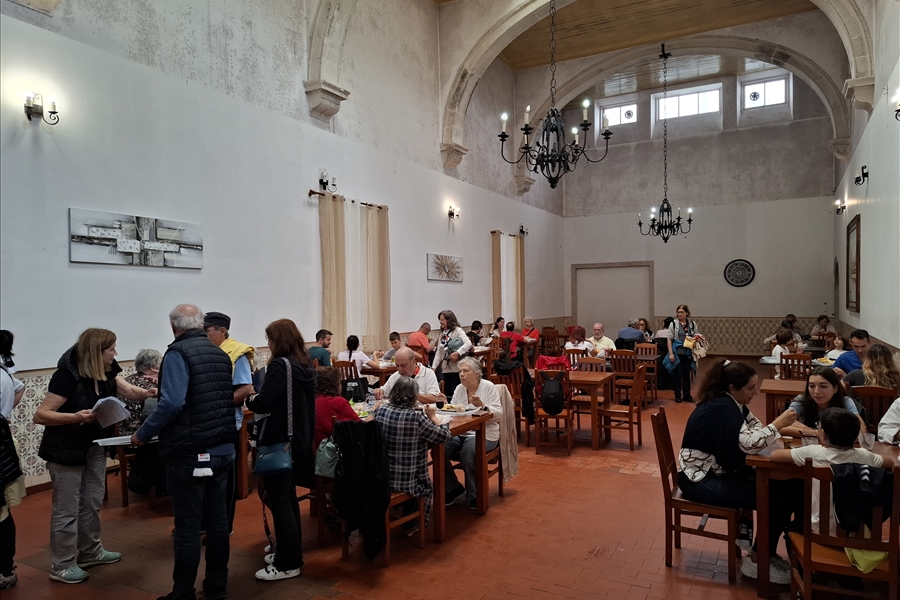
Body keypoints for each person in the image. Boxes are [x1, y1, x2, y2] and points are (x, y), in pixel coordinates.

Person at [35, 328, 156, 584]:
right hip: (65, 449)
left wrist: (148, 393)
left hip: (93, 445)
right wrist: (75, 417)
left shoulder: (107, 371)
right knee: (66, 508)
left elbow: (129, 391)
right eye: (111, 349)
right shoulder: (66, 376)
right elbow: (41, 415)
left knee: (92, 501)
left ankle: (90, 551)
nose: (116, 353)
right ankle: (62, 565)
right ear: (96, 352)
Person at [132, 305, 235, 600]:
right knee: (218, 523)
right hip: (223, 448)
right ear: (201, 324)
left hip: (190, 451)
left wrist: (143, 433)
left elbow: (172, 402)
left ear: (174, 327)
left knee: (188, 527)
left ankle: (182, 593)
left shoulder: (178, 353)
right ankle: (217, 585)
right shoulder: (219, 353)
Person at [678, 359, 800, 585]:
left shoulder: (734, 404)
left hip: (710, 472)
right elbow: (750, 444)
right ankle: (758, 559)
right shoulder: (723, 407)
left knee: (786, 487)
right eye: (750, 388)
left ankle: (765, 554)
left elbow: (756, 428)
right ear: (733, 388)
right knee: (777, 498)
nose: (755, 392)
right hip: (698, 480)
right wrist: (778, 424)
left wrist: (774, 428)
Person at [245, 319, 317, 581]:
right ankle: (290, 553)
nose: (269, 343)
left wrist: (250, 397)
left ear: (278, 340)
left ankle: (288, 563)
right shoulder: (305, 364)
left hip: (279, 441)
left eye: (269, 339)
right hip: (299, 440)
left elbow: (264, 402)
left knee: (280, 502)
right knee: (288, 500)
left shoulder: (280, 366)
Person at [770, 408, 892, 534]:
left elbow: (775, 455)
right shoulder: (865, 455)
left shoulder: (813, 452)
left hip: (818, 530)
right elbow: (890, 463)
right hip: (855, 532)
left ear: (822, 435)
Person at [374, 376, 451, 534]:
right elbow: (445, 436)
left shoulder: (380, 411)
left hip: (381, 476)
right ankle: (413, 523)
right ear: (414, 396)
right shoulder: (416, 418)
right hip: (407, 481)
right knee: (422, 480)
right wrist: (433, 417)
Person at [204, 311, 255, 535]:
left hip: (227, 421)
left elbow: (246, 388)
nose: (203, 335)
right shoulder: (207, 351)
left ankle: (224, 526)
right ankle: (206, 522)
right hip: (208, 422)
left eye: (207, 331)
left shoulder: (237, 352)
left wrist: (219, 404)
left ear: (222, 330)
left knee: (225, 479)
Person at [444, 358, 502, 510]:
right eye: (460, 371)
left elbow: (499, 414)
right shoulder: (459, 389)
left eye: (465, 371)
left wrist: (483, 406)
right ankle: (453, 487)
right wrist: (446, 407)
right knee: (440, 449)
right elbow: (453, 412)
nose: (461, 374)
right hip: (461, 432)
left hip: (486, 433)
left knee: (468, 453)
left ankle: (475, 494)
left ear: (477, 373)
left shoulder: (488, 387)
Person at [116, 349, 165, 495]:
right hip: (139, 437)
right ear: (153, 368)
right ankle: (159, 485)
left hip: (121, 434)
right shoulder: (150, 385)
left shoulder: (126, 381)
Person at [0, 331, 25, 590]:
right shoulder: (4, 373)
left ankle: (5, 569)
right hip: (4, 441)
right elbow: (20, 388)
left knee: (1, 511)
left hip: (1, 447)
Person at [778, 367, 865, 439]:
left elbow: (861, 433)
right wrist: (817, 433)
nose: (816, 391)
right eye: (812, 386)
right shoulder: (802, 400)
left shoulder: (845, 401)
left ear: (835, 389)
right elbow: (780, 426)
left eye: (823, 386)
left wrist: (803, 429)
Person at [313, 367, 360, 449]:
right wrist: (372, 415)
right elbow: (359, 425)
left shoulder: (313, 400)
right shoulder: (338, 402)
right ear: (335, 384)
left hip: (316, 446)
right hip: (332, 449)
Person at [666, 304, 704, 403]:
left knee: (686, 374)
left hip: (688, 352)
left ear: (687, 313)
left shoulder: (692, 324)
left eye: (682, 312)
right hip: (677, 352)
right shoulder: (673, 324)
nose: (680, 314)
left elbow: (695, 335)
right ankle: (678, 395)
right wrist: (671, 353)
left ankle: (687, 395)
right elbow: (669, 339)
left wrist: (698, 338)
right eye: (678, 312)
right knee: (677, 375)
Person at [375, 347, 441, 404]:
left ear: (413, 362)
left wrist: (412, 394)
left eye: (403, 365)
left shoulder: (428, 374)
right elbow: (383, 392)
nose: (400, 369)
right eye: (397, 365)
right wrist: (379, 391)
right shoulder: (396, 376)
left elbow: (435, 398)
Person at [431, 310, 472, 397]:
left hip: (458, 368)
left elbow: (468, 344)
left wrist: (458, 353)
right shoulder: (442, 334)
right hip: (446, 368)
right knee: (448, 392)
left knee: (456, 391)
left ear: (449, 320)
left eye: (442, 320)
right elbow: (439, 352)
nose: (440, 322)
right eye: (440, 320)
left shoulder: (458, 330)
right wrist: (433, 368)